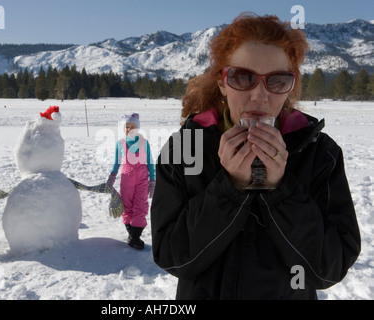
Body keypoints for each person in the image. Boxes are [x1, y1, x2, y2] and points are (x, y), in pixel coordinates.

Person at [151, 13, 361, 299]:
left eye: (276, 81)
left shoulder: (319, 153)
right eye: (243, 77)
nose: (260, 96)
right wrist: (230, 189)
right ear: (223, 82)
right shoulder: (186, 150)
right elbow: (172, 256)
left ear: (289, 87)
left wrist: (281, 190)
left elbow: (328, 268)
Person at [107, 113, 155, 249]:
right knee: (127, 205)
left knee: (140, 205)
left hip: (142, 177)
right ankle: (131, 234)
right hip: (126, 178)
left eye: (132, 126)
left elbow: (150, 161)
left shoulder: (144, 143)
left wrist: (152, 180)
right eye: (127, 127)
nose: (129, 129)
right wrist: (112, 177)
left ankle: (136, 236)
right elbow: (116, 162)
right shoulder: (120, 143)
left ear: (137, 128)